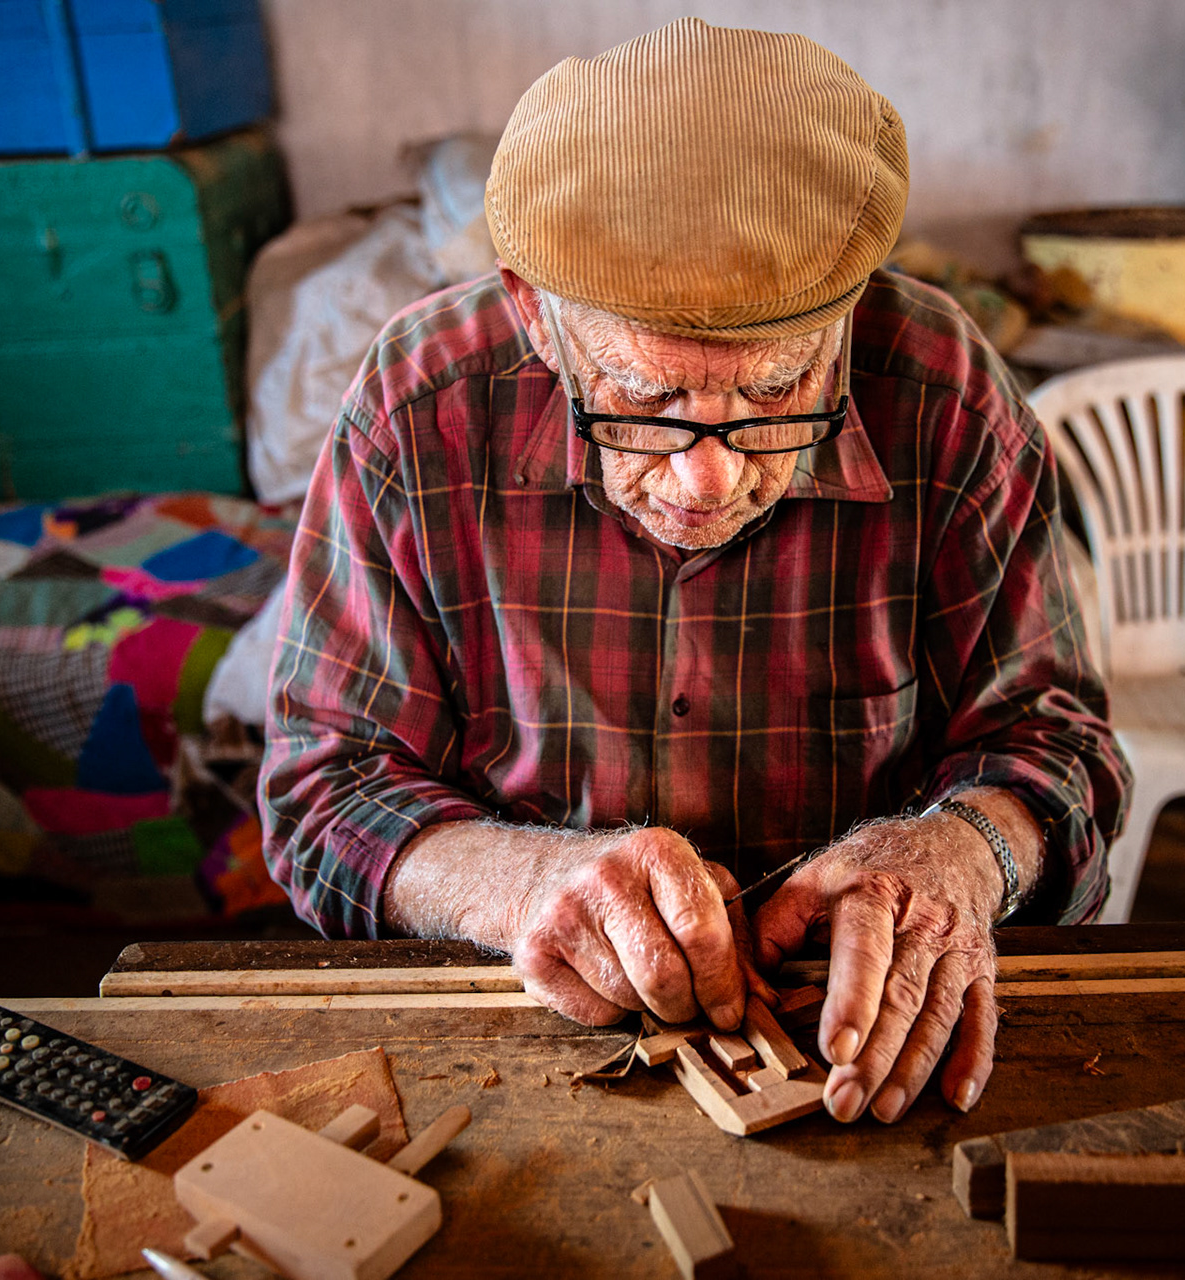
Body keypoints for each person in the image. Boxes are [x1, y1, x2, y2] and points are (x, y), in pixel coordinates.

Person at [261, 17, 1129, 1126]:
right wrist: (526, 883)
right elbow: (324, 786)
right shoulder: (419, 404)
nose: (709, 479)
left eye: (774, 395)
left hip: (858, 1039)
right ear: (533, 308)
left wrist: (958, 853)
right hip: (523, 1030)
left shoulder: (949, 393)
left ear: (848, 310)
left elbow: (1058, 748)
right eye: (643, 397)